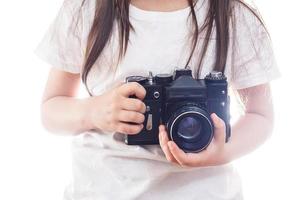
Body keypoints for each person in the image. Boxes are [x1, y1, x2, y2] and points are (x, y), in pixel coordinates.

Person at [35, 0, 281, 199]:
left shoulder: (234, 16)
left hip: (206, 191)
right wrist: (94, 111)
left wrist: (222, 151)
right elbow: (51, 109)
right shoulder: (86, 9)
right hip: (101, 190)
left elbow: (261, 115)